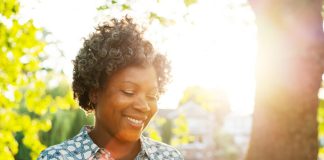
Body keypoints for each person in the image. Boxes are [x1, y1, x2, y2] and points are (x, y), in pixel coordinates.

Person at [37, 17, 183, 160]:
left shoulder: (169, 157)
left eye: (152, 96)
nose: (144, 106)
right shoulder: (57, 157)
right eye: (129, 92)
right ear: (95, 92)